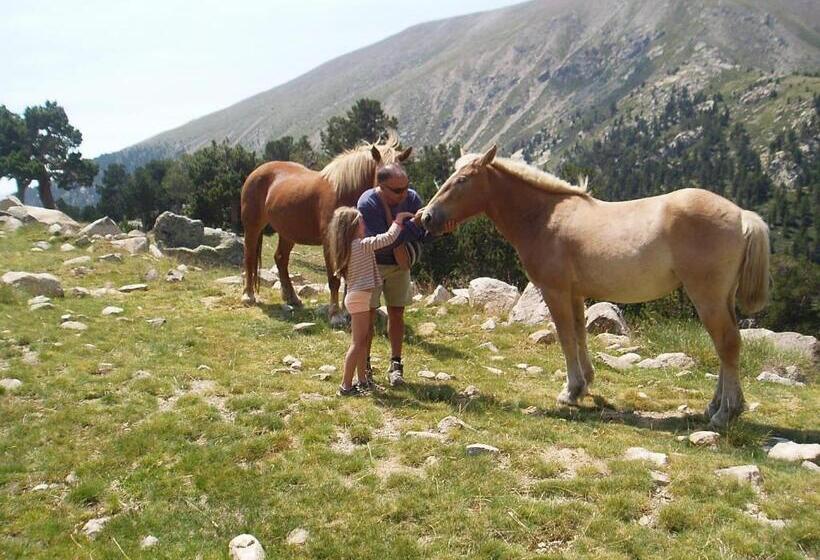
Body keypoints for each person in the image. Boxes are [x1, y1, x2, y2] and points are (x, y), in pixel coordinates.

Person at [327, 206, 415, 396]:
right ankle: (345, 386)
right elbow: (387, 239)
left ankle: (362, 380)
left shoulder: (348, 248)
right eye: (361, 222)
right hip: (359, 299)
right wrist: (398, 221)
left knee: (363, 339)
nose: (364, 225)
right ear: (352, 227)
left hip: (357, 298)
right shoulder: (361, 245)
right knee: (358, 343)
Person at [356, 163, 428, 386]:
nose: (405, 194)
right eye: (397, 190)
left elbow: (424, 234)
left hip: (399, 267)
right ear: (381, 187)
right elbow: (383, 243)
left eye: (406, 187)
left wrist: (437, 230)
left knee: (397, 313)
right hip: (372, 265)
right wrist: (412, 228)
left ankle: (396, 365)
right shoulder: (367, 203)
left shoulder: (413, 199)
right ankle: (364, 366)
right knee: (367, 318)